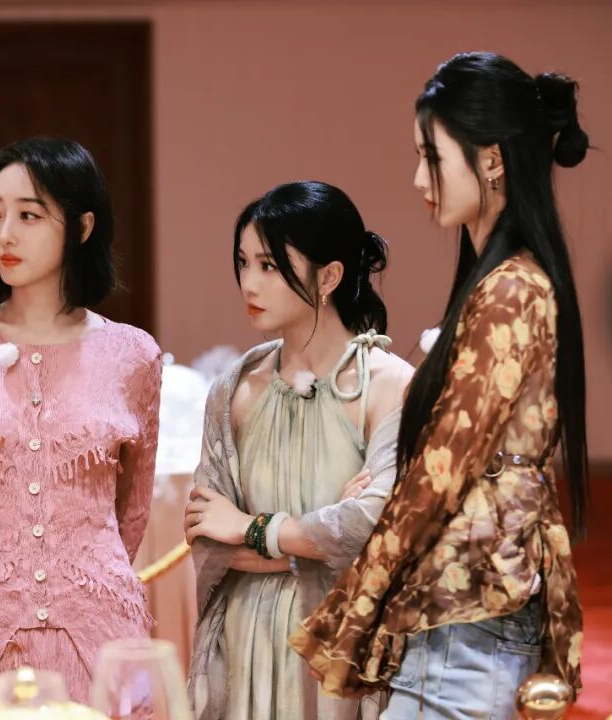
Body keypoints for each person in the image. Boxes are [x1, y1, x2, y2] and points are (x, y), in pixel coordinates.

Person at [290, 52, 590, 719]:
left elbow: (444, 471)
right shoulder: (503, 283)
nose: (418, 179)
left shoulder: (510, 290)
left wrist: (359, 600)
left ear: (491, 160)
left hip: (467, 612)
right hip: (462, 607)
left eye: (432, 157)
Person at [0, 137, 162, 709]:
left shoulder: (133, 355)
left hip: (100, 634)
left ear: (82, 227)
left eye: (29, 215)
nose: (5, 234)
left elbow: (133, 506)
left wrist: (78, 574)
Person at [186, 180, 413, 720]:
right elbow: (205, 535)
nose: (249, 282)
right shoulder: (233, 389)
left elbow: (379, 529)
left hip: (341, 642)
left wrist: (251, 529)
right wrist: (318, 540)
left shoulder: (388, 384)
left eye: (269, 265)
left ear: (329, 276)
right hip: (244, 639)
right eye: (243, 263)